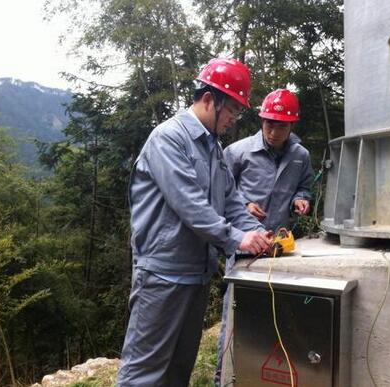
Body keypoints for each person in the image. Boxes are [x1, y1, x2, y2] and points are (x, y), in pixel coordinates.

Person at [117, 58, 273, 387]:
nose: (233, 119)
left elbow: (230, 201)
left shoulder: (213, 148)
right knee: (144, 374)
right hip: (162, 273)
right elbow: (190, 205)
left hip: (196, 275)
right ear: (208, 100)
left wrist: (257, 232)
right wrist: (237, 239)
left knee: (178, 369)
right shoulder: (169, 139)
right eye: (231, 109)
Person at [215, 89, 313, 385]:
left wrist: (301, 199)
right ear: (261, 120)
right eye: (268, 123)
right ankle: (224, 377)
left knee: (274, 311)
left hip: (278, 247)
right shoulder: (237, 152)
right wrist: (243, 205)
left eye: (281, 125)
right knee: (235, 312)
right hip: (244, 246)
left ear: (291, 125)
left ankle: (264, 374)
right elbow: (220, 191)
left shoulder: (300, 156)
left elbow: (305, 187)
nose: (273, 130)